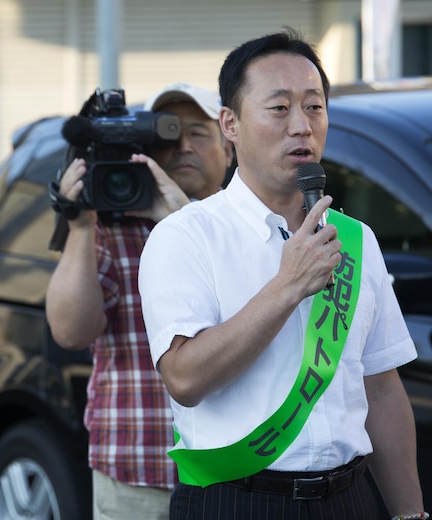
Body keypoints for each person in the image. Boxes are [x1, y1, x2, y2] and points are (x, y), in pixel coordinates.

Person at [139, 28, 426, 519]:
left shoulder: (356, 241)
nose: (302, 126)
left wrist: (409, 513)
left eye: (314, 107)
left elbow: (381, 387)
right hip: (236, 499)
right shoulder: (185, 236)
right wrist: (287, 287)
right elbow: (183, 378)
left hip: (350, 500)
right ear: (230, 123)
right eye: (279, 108)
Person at [45, 83, 233, 519]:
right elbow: (71, 332)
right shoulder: (113, 226)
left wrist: (181, 222)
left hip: (235, 472)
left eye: (198, 134)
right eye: (167, 135)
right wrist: (79, 227)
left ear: (229, 148)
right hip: (135, 471)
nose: (183, 146)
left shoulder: (248, 227)